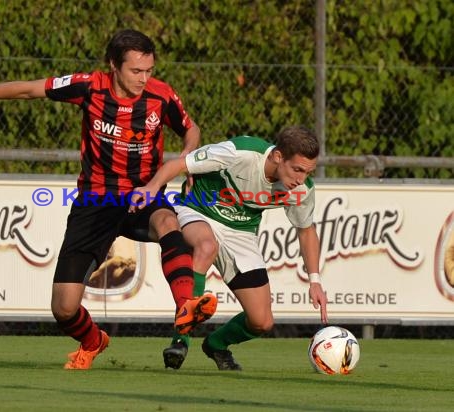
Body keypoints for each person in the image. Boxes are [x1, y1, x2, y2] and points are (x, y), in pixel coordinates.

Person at [0, 29, 217, 370]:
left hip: (142, 194)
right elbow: (30, 89)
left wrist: (188, 158)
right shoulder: (89, 86)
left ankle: (186, 306)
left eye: (148, 70)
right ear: (113, 65)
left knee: (167, 221)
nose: (144, 78)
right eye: (136, 71)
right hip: (95, 201)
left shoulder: (160, 96)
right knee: (63, 307)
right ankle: (93, 340)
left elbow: (190, 129)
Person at [130, 125, 329, 370]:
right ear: (278, 156)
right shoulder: (240, 152)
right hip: (198, 211)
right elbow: (180, 164)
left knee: (262, 321)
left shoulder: (302, 189)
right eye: (297, 169)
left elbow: (306, 231)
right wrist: (151, 189)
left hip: (241, 233)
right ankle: (180, 340)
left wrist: (315, 281)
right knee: (206, 245)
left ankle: (216, 345)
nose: (301, 179)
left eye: (308, 172)